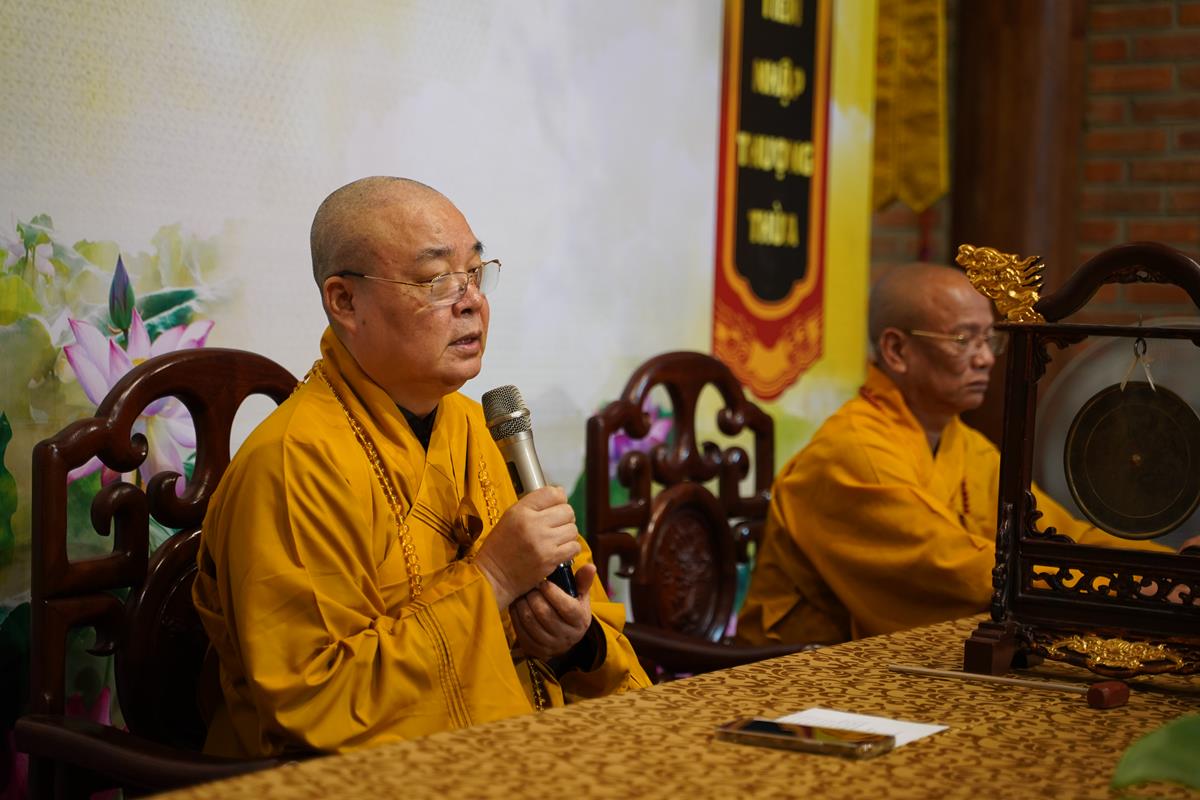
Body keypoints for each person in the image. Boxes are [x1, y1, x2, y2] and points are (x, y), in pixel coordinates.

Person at [193, 176, 649, 758]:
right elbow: (315, 703)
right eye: (436, 280)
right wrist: (492, 581)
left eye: (475, 274)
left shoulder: (486, 432)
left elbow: (593, 626)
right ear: (345, 302)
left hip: (517, 753)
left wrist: (575, 641)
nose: (471, 301)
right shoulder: (291, 465)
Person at [736, 263, 1183, 646]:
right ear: (897, 350)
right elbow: (957, 572)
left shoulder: (965, 445)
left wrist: (1166, 567)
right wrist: (1131, 586)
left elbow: (1057, 535)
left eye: (989, 339)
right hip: (796, 673)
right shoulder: (851, 453)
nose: (985, 358)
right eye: (963, 339)